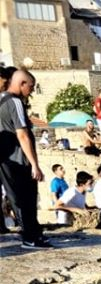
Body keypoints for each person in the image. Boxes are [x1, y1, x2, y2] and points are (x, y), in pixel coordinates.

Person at [0, 69, 49, 248]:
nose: (32, 90)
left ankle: (32, 234)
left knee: (16, 198)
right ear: (22, 84)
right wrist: (35, 164)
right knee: (27, 198)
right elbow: (22, 134)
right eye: (31, 86)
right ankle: (31, 237)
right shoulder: (15, 102)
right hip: (19, 159)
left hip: (5, 160)